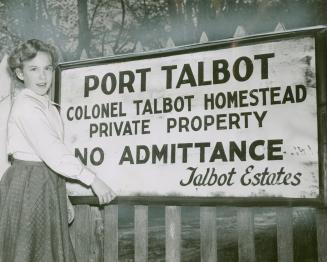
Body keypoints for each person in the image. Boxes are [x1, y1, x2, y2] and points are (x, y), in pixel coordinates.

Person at [0, 39, 116, 262]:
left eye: (47, 68)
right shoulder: (27, 107)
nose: (42, 77)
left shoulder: (48, 106)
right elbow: (53, 152)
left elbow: (52, 158)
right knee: (30, 252)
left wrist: (63, 197)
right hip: (28, 186)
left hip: (46, 183)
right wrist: (93, 180)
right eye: (34, 69)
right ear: (20, 74)